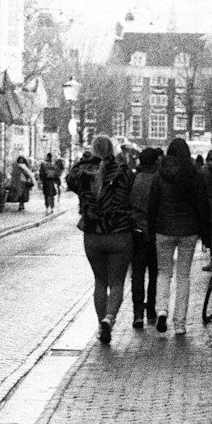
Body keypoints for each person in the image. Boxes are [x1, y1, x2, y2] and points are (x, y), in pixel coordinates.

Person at [65, 132, 134, 345]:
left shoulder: (82, 173)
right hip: (119, 233)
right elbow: (132, 195)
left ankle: (100, 325)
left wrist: (85, 159)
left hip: (93, 234)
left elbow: (70, 179)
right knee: (117, 283)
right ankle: (109, 319)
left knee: (100, 282)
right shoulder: (122, 171)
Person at [147, 135, 210, 336]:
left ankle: (162, 310)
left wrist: (151, 230)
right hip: (189, 231)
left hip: (163, 229)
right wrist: (207, 235)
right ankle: (180, 324)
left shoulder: (160, 174)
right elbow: (203, 206)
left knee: (163, 272)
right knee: (183, 276)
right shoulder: (195, 175)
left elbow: (152, 205)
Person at [129, 147, 160, 329]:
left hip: (137, 231)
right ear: (155, 162)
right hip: (155, 232)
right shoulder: (158, 180)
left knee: (138, 273)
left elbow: (130, 203)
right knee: (155, 273)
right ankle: (151, 309)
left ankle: (137, 312)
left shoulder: (135, 179)